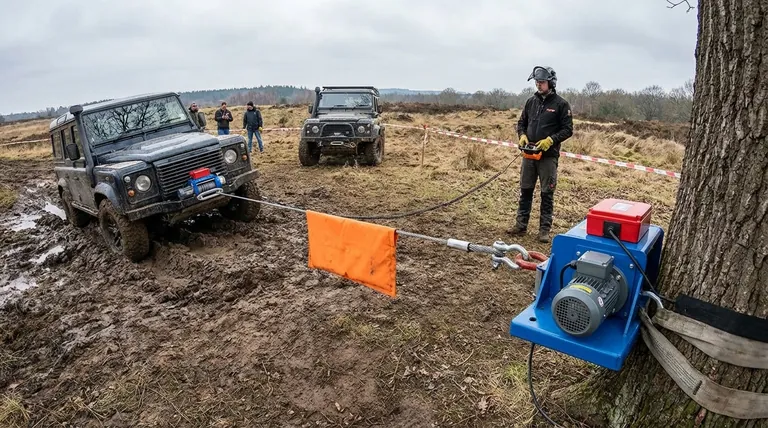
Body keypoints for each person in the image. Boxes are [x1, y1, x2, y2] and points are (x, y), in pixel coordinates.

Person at [508, 66, 573, 243]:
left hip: (548, 156)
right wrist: (521, 135)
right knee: (525, 189)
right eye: (537, 82)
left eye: (541, 82)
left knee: (547, 193)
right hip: (529, 154)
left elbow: (568, 130)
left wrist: (551, 140)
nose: (538, 85)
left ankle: (544, 230)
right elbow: (521, 122)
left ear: (551, 83)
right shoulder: (531, 102)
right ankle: (520, 225)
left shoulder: (561, 104)